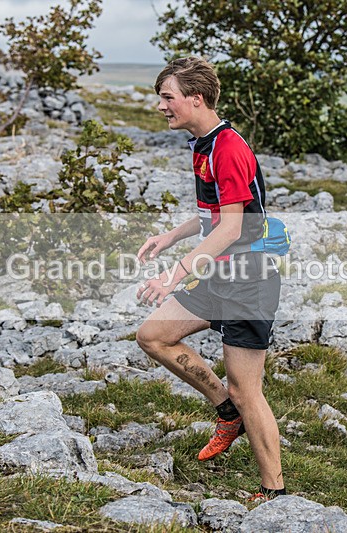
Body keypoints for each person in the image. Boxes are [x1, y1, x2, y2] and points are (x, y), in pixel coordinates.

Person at [134, 57, 285, 500]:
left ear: (195, 99)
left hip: (249, 279)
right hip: (219, 274)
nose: (161, 106)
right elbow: (212, 215)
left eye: (168, 97)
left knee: (246, 388)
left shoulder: (229, 148)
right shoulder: (203, 143)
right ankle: (225, 411)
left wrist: (174, 273)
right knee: (153, 335)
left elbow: (233, 228)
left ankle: (272, 490)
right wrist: (170, 235)